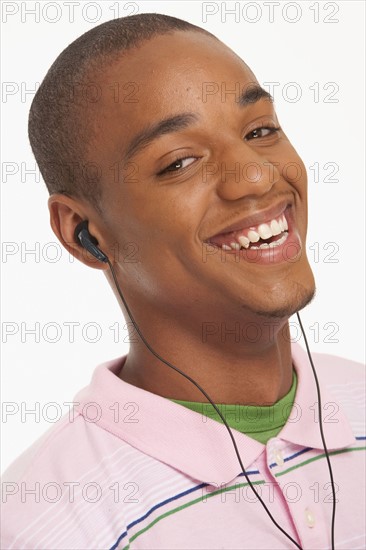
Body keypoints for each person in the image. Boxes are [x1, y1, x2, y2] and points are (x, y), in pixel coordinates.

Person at [1, 13, 365, 550]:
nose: (257, 175)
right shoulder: (41, 522)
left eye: (260, 130)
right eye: (179, 162)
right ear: (83, 233)